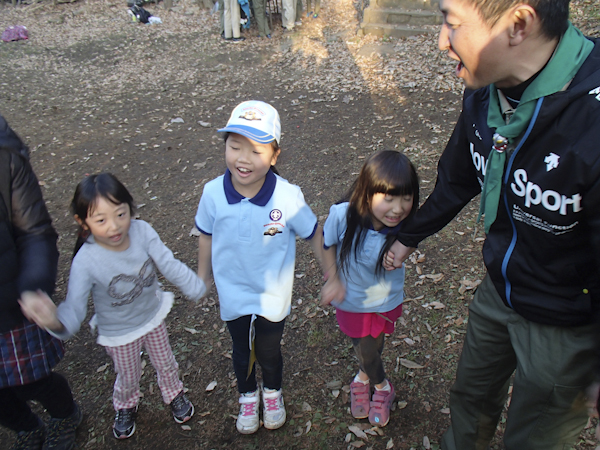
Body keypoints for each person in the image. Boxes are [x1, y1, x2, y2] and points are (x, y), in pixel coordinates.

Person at [385, 0, 600, 449]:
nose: (442, 41)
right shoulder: (485, 89)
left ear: (518, 24)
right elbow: (458, 177)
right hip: (499, 291)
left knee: (535, 436)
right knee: (469, 399)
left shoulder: (591, 119)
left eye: (452, 22)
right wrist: (408, 237)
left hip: (568, 324)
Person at [20, 173, 206, 440]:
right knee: (128, 375)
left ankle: (174, 392)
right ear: (83, 222)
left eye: (121, 214)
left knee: (166, 362)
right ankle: (126, 405)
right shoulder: (86, 260)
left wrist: (194, 285)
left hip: (152, 316)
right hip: (118, 332)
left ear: (130, 208)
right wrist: (54, 321)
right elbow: (74, 309)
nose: (115, 226)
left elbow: (168, 263)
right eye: (101, 220)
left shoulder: (142, 231)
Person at [195, 100, 323, 434]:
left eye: (256, 150)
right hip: (233, 290)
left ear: (275, 155)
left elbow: (313, 233)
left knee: (268, 348)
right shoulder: (212, 194)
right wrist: (202, 275)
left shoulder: (287, 196)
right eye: (235, 146)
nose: (243, 159)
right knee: (240, 348)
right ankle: (247, 396)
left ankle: (272, 392)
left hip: (272, 294)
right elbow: (206, 235)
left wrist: (331, 274)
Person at [321, 150, 419, 427]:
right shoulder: (343, 216)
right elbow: (326, 243)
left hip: (386, 301)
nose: (398, 208)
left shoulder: (406, 227)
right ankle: (383, 386)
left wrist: (404, 249)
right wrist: (333, 277)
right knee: (364, 347)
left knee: (374, 344)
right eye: (388, 198)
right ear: (367, 193)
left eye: (406, 198)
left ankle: (363, 377)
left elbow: (414, 239)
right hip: (351, 300)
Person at [0, 116, 81, 450]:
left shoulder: (4, 153)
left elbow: (34, 230)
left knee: (32, 381)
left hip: (11, 306)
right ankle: (24, 426)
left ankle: (64, 414)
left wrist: (34, 286)